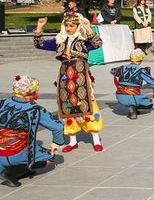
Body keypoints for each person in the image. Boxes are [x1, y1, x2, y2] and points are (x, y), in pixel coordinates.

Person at [34, 13, 105, 152]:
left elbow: (98, 43)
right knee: (67, 104)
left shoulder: (83, 40)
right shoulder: (60, 40)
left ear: (77, 26)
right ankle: (72, 140)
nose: (68, 28)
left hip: (81, 75)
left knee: (87, 103)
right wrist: (39, 28)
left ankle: (95, 138)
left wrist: (88, 28)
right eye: (66, 25)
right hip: (65, 76)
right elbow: (39, 44)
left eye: (72, 26)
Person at [0, 76, 64, 187]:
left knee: (27, 146)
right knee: (50, 156)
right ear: (32, 91)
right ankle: (12, 173)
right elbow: (58, 127)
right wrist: (56, 144)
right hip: (12, 155)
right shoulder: (35, 109)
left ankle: (11, 169)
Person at [110, 49, 154, 120]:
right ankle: (133, 110)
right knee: (149, 105)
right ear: (141, 59)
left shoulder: (122, 68)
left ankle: (133, 108)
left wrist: (122, 74)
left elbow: (112, 71)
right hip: (133, 96)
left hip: (119, 96)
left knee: (130, 96)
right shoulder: (141, 70)